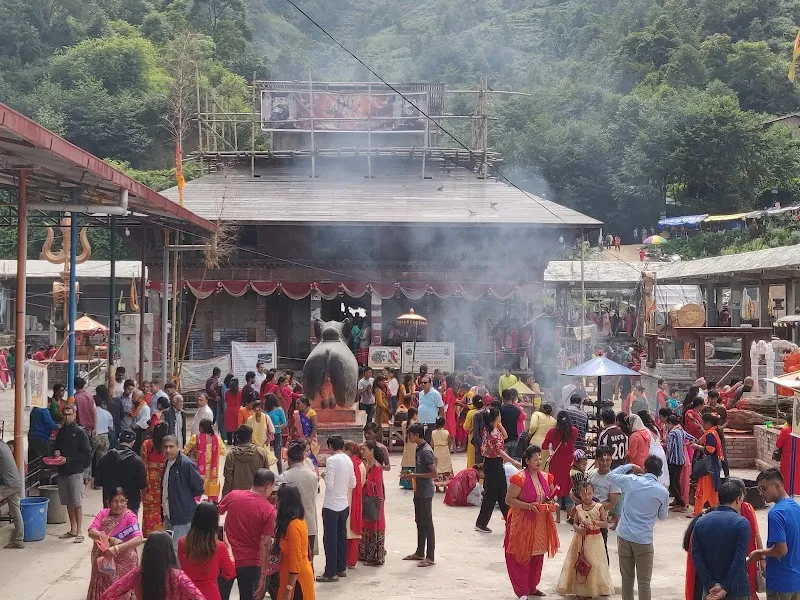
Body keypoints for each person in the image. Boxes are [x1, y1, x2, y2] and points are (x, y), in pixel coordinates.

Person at [607, 456, 670, 600]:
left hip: (624, 535)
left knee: (627, 579)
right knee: (644, 582)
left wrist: (629, 466)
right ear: (660, 472)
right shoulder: (662, 492)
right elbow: (662, 515)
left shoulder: (631, 481)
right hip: (643, 540)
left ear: (645, 468)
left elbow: (611, 476)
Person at [504, 444, 559, 599]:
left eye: (540, 458)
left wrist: (552, 504)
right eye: (535, 459)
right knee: (522, 556)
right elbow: (509, 500)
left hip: (541, 522)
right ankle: (522, 590)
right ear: (527, 461)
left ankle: (532, 586)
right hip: (522, 523)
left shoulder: (546, 477)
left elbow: (551, 495)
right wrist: (528, 506)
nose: (539, 461)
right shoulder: (519, 478)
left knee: (537, 556)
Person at [218, 468, 277, 600]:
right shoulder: (268, 510)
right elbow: (265, 543)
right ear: (267, 486)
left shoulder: (234, 495)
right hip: (251, 562)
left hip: (227, 558)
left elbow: (216, 512)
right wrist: (263, 574)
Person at [691, 478, 752, 600]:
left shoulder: (701, 521)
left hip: (710, 591)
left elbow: (696, 555)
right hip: (737, 589)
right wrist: (725, 587)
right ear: (738, 499)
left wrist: (710, 583)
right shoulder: (742, 523)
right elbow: (739, 559)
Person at [101, 530, 205, 600]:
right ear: (169, 552)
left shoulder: (138, 573)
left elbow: (107, 595)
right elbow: (199, 597)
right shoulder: (178, 576)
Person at [747, 468, 800, 599]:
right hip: (796, 580)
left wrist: (760, 553)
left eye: (763, 488)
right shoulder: (796, 507)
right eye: (759, 489)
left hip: (780, 582)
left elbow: (781, 550)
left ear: (778, 486)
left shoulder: (776, 513)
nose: (760, 493)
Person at [556, 480, 615, 597]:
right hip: (581, 539)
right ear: (580, 494)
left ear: (593, 493)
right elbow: (573, 521)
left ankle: (594, 588)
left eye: (589, 494)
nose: (586, 497)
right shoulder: (578, 508)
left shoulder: (599, 507)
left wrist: (596, 523)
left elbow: (605, 523)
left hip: (595, 540)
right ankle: (582, 589)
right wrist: (578, 529)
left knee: (594, 563)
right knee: (581, 562)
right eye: (583, 494)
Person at [86, 487, 144, 600]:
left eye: (122, 501)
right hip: (104, 560)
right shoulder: (103, 514)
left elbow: (138, 539)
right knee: (104, 591)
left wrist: (117, 548)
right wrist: (109, 540)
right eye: (115, 501)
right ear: (109, 502)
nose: (119, 505)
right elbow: (91, 532)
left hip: (124, 562)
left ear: (126, 502)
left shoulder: (130, 517)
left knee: (120, 591)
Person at [476, 407, 522, 533]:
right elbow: (500, 451)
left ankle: (510, 520)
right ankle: (481, 523)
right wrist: (513, 462)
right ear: (496, 417)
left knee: (502, 492)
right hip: (494, 463)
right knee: (491, 494)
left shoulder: (489, 429)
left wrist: (498, 424)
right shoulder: (493, 433)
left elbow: (505, 436)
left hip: (492, 463)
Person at [317, 435, 356, 583]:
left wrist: (325, 474)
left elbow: (330, 485)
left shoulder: (332, 460)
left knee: (330, 539)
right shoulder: (348, 459)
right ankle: (341, 567)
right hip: (343, 504)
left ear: (331, 446)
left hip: (331, 505)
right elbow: (353, 483)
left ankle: (330, 572)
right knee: (341, 537)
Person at [177, 501, 235, 600]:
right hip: (210, 594)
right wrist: (229, 550)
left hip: (187, 592)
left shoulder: (182, 542)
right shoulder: (219, 547)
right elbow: (230, 573)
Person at [54, 404, 93, 543]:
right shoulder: (61, 432)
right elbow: (56, 446)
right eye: (65, 414)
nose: (67, 417)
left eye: (70, 414)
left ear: (75, 415)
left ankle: (80, 531)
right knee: (68, 502)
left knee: (77, 502)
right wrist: (56, 452)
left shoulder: (80, 432)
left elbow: (87, 455)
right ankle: (72, 528)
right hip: (62, 471)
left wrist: (69, 460)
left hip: (75, 472)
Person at [400, 423, 438, 567]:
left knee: (427, 523)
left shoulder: (425, 451)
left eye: (410, 434)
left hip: (426, 492)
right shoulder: (419, 449)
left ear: (416, 435)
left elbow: (434, 473)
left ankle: (430, 556)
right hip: (419, 490)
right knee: (420, 521)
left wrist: (415, 475)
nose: (408, 437)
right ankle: (420, 551)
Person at [161, 434, 204, 551]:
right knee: (168, 547)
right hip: (168, 515)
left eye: (171, 446)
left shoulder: (186, 464)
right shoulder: (167, 463)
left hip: (182, 516)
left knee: (178, 549)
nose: (168, 450)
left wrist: (184, 498)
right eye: (165, 447)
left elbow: (199, 487)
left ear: (178, 447)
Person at [274, 484, 316, 600]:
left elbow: (296, 559)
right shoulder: (296, 521)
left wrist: (289, 588)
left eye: (278, 498)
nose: (275, 500)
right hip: (291, 576)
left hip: (297, 580)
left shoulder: (293, 526)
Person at [281, 440, 319, 558]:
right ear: (302, 457)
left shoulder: (284, 477)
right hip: (309, 522)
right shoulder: (313, 476)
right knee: (308, 558)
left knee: (293, 559)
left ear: (289, 458)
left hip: (290, 524)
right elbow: (316, 493)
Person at [95, 429, 147, 513]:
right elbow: (142, 484)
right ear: (133, 442)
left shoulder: (104, 458)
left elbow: (97, 482)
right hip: (131, 504)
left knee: (111, 526)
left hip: (110, 502)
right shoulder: (137, 460)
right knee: (129, 526)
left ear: (119, 440)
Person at [542, 410, 578, 521]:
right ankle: (568, 516)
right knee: (568, 488)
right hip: (569, 463)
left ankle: (557, 518)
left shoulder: (552, 432)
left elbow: (544, 445)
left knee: (556, 488)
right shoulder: (574, 431)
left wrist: (549, 453)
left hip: (556, 463)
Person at [183, 419, 226, 503]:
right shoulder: (217, 439)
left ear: (201, 428)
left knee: (197, 490)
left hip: (199, 469)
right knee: (212, 494)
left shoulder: (196, 438)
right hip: (212, 471)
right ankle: (212, 509)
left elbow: (185, 451)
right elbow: (223, 451)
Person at [589, 445, 621, 556]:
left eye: (608, 460)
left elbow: (612, 504)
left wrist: (593, 505)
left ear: (611, 460)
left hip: (601, 520)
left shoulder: (614, 480)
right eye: (602, 460)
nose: (605, 463)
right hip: (587, 519)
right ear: (597, 460)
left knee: (601, 553)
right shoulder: (591, 474)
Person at [222, 424, 269, 497]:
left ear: (237, 438)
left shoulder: (231, 455)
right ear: (251, 437)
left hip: (236, 497)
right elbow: (267, 477)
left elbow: (228, 480)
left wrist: (224, 497)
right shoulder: (261, 453)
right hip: (256, 497)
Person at [359, 441, 387, 566]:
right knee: (366, 524)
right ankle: (365, 554)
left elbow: (376, 485)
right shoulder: (365, 465)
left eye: (364, 449)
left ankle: (375, 557)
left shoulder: (377, 467)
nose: (362, 452)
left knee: (375, 524)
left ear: (371, 451)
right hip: (366, 499)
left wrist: (365, 481)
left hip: (374, 500)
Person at [140, 422, 168, 537]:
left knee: (149, 510)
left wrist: (145, 484)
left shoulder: (146, 444)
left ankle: (148, 533)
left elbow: (144, 464)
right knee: (163, 508)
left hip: (150, 481)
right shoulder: (167, 445)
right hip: (163, 481)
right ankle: (161, 533)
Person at [693, 412, 724, 516]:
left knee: (702, 489)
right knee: (713, 490)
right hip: (714, 465)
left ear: (708, 423)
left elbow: (710, 450)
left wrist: (697, 447)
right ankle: (715, 508)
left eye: (703, 423)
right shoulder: (715, 432)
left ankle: (697, 511)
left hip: (707, 466)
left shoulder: (710, 434)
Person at [665, 415, 696, 513]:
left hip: (673, 461)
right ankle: (679, 503)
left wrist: (666, 460)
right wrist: (685, 445)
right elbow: (693, 439)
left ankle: (681, 503)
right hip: (681, 460)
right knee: (676, 482)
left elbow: (669, 449)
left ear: (670, 423)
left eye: (667, 424)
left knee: (672, 484)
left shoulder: (672, 433)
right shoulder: (681, 431)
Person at [344, 440, 365, 569]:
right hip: (356, 500)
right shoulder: (360, 465)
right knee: (353, 530)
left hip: (344, 499)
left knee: (345, 529)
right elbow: (361, 482)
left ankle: (344, 559)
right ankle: (352, 560)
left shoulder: (345, 464)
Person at [0, 440, 23, 548]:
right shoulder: (4, 445)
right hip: (16, 482)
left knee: (16, 511)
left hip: (8, 484)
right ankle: (19, 539)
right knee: (16, 512)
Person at [28, 400, 59, 471]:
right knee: (42, 459)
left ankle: (33, 477)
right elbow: (50, 424)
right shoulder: (44, 410)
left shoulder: (34, 410)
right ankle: (42, 477)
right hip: (41, 437)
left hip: (32, 436)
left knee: (33, 459)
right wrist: (59, 426)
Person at [291, 397, 318, 466]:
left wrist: (310, 438)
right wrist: (291, 436)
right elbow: (294, 426)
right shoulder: (297, 414)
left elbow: (315, 427)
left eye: (298, 403)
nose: (297, 405)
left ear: (304, 404)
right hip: (300, 439)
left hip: (309, 440)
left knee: (311, 458)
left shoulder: (312, 413)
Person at [264, 393, 287, 474]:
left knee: (278, 455)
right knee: (266, 455)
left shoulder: (279, 410)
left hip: (276, 434)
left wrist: (277, 427)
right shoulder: (265, 411)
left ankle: (280, 473)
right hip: (266, 435)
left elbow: (284, 423)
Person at [417, 375, 444, 444]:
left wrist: (439, 421)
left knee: (429, 442)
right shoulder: (420, 393)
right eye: (421, 382)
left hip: (432, 422)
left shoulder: (436, 394)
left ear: (430, 383)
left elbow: (441, 408)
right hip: (421, 422)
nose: (423, 384)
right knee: (421, 442)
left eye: (425, 382)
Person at [775, 423, 800, 496]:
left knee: (786, 476)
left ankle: (787, 493)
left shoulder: (785, 431)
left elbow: (778, 444)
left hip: (787, 458)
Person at [400, 407, 419, 488]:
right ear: (414, 414)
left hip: (407, 446)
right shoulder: (416, 424)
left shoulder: (404, 423)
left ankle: (405, 483)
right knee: (413, 462)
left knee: (407, 462)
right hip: (414, 445)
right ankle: (413, 483)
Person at [500, 389, 523, 457]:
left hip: (504, 439)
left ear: (503, 398)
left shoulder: (501, 410)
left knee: (504, 463)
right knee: (513, 462)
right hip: (515, 438)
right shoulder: (518, 410)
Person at [431, 417, 453, 485]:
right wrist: (448, 448)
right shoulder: (446, 432)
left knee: (437, 467)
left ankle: (437, 486)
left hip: (437, 451)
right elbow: (449, 442)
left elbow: (431, 444)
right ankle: (445, 485)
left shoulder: (433, 432)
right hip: (445, 450)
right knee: (446, 467)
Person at [463, 397, 482, 469]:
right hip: (483, 438)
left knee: (472, 458)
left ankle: (472, 475)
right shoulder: (486, 411)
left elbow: (466, 427)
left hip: (473, 438)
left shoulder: (471, 413)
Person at [224, 378, 242, 445]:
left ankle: (229, 441)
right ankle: (235, 440)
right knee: (236, 426)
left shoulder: (227, 392)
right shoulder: (240, 391)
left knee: (229, 426)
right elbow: (241, 401)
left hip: (229, 409)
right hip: (237, 410)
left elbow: (226, 400)